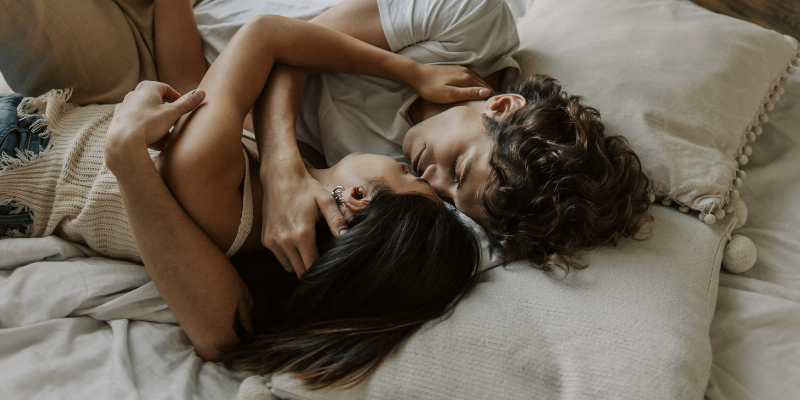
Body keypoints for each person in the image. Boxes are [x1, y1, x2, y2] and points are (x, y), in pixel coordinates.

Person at [0, 7, 489, 388]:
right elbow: (190, 82)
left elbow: (264, 35)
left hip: (14, 147)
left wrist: (411, 73)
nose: (407, 165)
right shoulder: (256, 218)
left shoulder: (214, 179)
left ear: (357, 197)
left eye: (410, 177)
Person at [188, 0, 653, 275]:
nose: (435, 183)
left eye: (452, 198)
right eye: (459, 169)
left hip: (187, 85)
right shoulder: (472, 22)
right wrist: (281, 168)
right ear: (502, 105)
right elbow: (289, 45)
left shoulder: (393, 176)